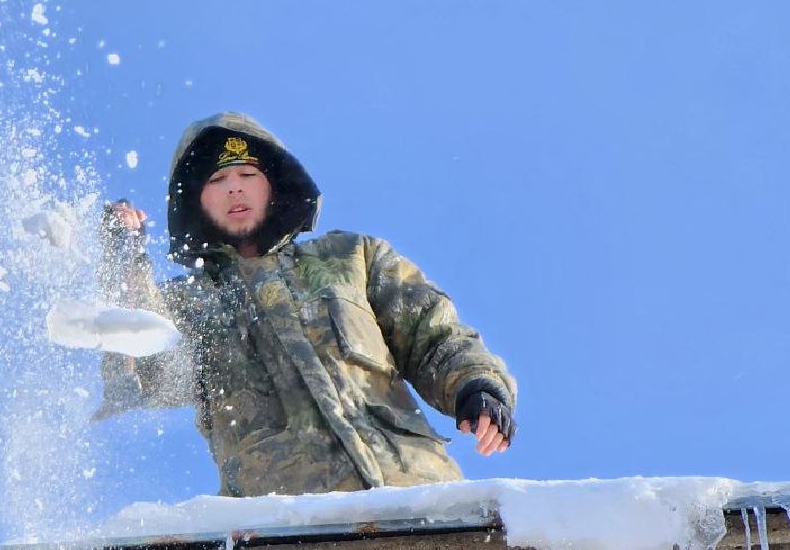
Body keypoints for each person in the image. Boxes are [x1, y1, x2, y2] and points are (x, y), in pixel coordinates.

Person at [96, 111, 516, 498]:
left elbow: (432, 334)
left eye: (247, 173)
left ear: (273, 184)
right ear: (196, 202)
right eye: (216, 181)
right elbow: (136, 372)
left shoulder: (353, 258)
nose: (235, 187)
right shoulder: (189, 303)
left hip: (416, 496)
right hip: (284, 526)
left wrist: (477, 384)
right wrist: (123, 258)